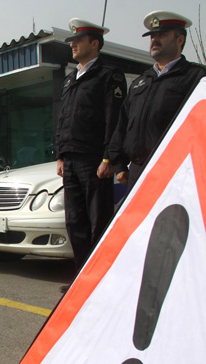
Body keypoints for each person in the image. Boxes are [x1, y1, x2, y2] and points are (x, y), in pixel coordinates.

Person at [55, 18, 127, 273]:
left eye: (78, 41)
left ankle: (102, 277)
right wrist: (60, 156)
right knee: (74, 221)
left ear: (94, 44)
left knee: (99, 221)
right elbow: (63, 119)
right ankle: (81, 278)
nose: (73, 45)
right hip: (71, 161)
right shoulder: (70, 78)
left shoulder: (109, 75)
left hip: (94, 160)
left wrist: (108, 157)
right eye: (72, 41)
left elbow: (114, 119)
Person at [107, 10, 206, 191]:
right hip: (138, 171)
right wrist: (119, 163)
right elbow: (123, 125)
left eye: (161, 35)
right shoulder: (140, 82)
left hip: (177, 172)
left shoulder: (197, 78)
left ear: (180, 40)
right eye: (152, 36)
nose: (154, 40)